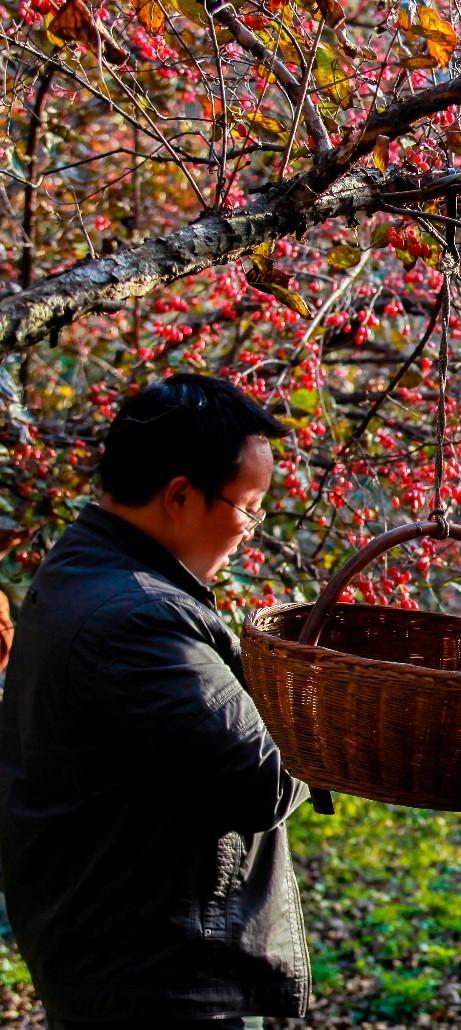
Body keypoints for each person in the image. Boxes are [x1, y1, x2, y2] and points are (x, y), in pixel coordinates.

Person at [0, 374, 310, 1028]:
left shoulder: (81, 568)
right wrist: (347, 717)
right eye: (251, 507)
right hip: (173, 982)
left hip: (118, 960)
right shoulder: (137, 619)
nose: (252, 530)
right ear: (180, 495)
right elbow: (261, 782)